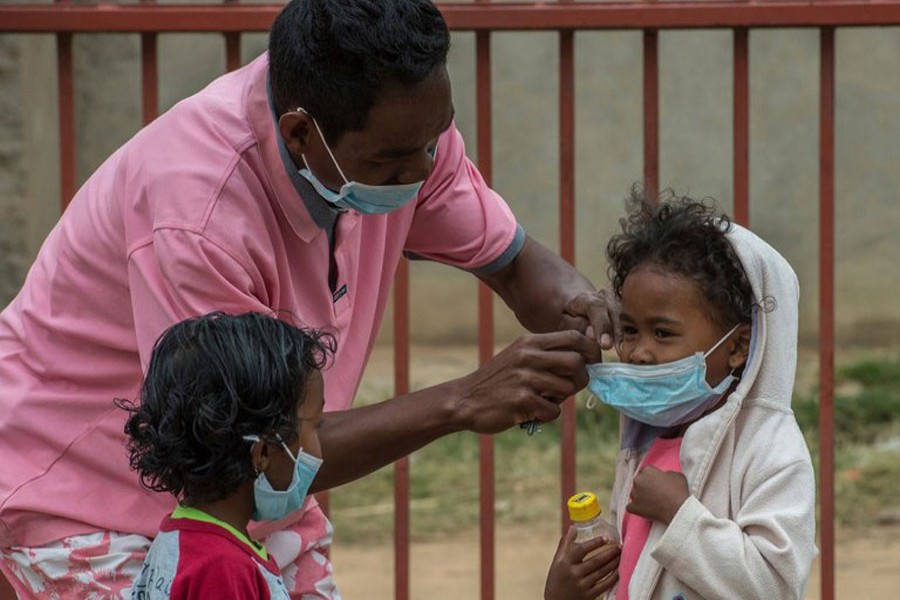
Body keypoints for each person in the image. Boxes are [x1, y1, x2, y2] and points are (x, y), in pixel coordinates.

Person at [0, 1, 617, 598]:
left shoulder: (403, 133)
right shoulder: (198, 213)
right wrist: (462, 399)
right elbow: (243, 448)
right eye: (396, 159)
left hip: (259, 506)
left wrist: (592, 319)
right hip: (91, 500)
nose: (426, 168)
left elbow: (511, 264)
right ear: (301, 133)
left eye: (436, 139)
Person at [544, 191, 817, 600]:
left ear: (738, 345)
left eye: (663, 333)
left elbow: (775, 585)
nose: (639, 353)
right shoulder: (647, 435)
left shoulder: (771, 450)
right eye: (630, 331)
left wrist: (680, 515)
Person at [121, 312, 334, 599]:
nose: (318, 446)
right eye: (315, 425)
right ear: (263, 453)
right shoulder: (222, 568)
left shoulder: (183, 537)